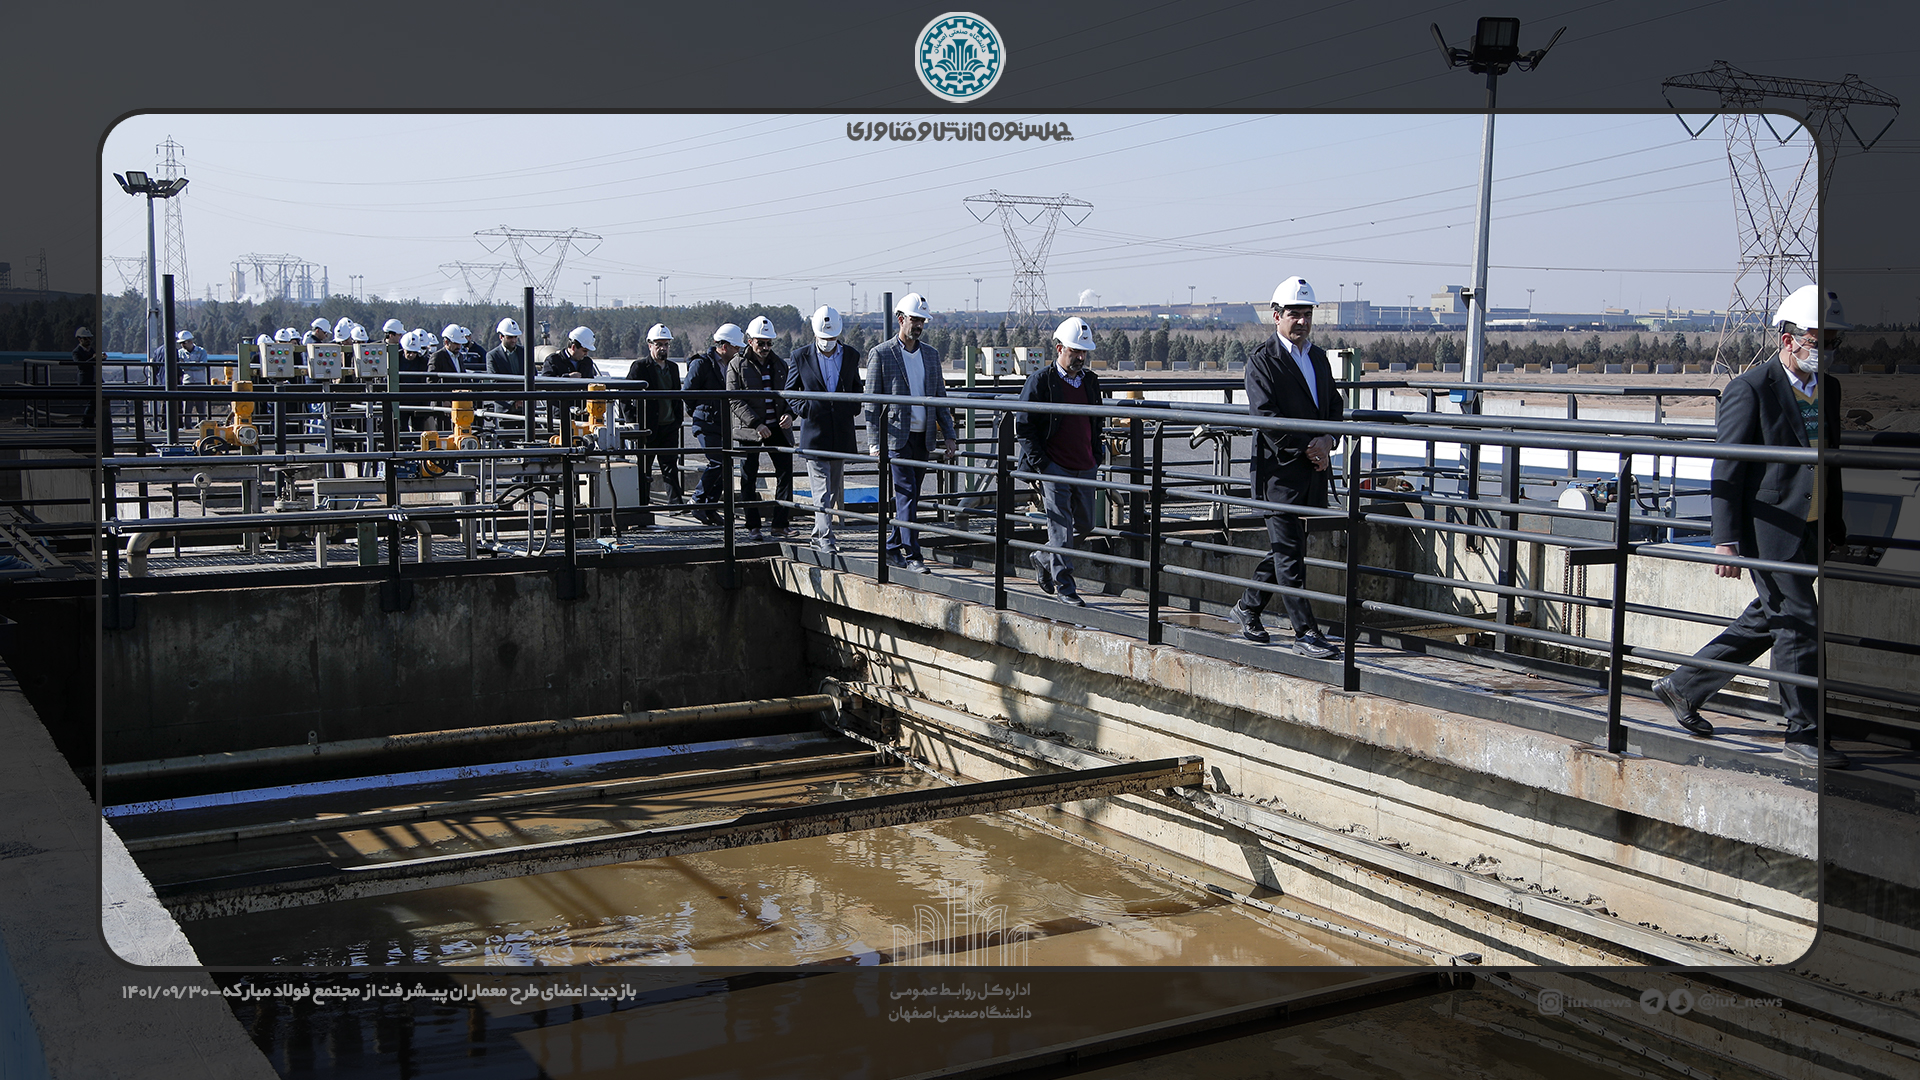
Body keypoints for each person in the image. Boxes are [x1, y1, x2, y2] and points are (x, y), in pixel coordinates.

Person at [1652, 284, 1852, 768]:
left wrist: (1835, 527)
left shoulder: (1829, 389)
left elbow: (1832, 463)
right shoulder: (1751, 388)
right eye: (1818, 340)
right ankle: (1803, 733)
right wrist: (1725, 540)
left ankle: (1683, 686)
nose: (1825, 351)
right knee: (1799, 624)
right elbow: (1728, 466)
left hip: (1809, 526)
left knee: (1769, 616)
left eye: (1833, 342)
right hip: (1769, 529)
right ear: (1788, 340)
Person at [1229, 275, 1343, 659]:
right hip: (1278, 473)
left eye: (1307, 314)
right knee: (1290, 555)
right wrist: (1309, 447)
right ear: (1276, 316)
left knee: (1286, 549)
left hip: (1311, 471)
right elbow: (1266, 417)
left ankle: (1247, 607)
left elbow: (1334, 407)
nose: (1302, 321)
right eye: (1295, 314)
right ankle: (1305, 633)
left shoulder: (1318, 358)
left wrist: (1328, 440)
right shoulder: (1262, 361)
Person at [1017, 317, 1106, 607]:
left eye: (1083, 352)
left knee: (1085, 524)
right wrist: (1043, 464)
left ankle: (1044, 557)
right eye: (1074, 351)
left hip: (1085, 463)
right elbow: (1024, 425)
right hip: (1055, 466)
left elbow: (1096, 422)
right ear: (1059, 349)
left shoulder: (1090, 382)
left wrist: (1096, 455)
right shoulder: (1041, 381)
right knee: (1060, 527)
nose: (1080, 357)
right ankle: (1064, 585)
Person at [864, 292, 956, 573]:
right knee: (905, 494)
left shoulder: (931, 355)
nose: (918, 325)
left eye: (922, 321)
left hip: (923, 436)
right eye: (914, 320)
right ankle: (913, 555)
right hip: (897, 438)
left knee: (911, 497)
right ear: (901, 319)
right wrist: (874, 443)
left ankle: (892, 546)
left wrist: (949, 434)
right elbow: (871, 402)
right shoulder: (881, 353)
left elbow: (940, 397)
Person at [785, 306, 863, 554]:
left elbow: (856, 387)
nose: (828, 341)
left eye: (832, 337)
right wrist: (806, 409)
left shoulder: (850, 355)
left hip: (841, 431)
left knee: (832, 488)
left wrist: (852, 407)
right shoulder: (800, 356)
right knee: (821, 487)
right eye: (824, 337)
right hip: (815, 432)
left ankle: (818, 534)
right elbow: (790, 391)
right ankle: (825, 537)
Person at [727, 316, 794, 541]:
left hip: (778, 428)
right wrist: (756, 423)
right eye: (761, 343)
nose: (765, 347)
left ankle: (780, 524)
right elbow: (734, 399)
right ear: (750, 341)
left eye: (769, 343)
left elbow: (791, 394)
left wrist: (789, 414)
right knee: (748, 477)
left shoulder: (780, 364)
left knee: (786, 474)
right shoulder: (736, 364)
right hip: (750, 431)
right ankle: (753, 526)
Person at [684, 324, 742, 526]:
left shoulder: (733, 366)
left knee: (726, 464)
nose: (738, 351)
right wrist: (700, 412)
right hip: (706, 422)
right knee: (717, 461)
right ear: (724, 346)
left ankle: (710, 506)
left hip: (723, 422)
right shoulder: (702, 364)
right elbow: (688, 392)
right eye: (736, 347)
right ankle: (698, 499)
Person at [622, 323, 685, 504]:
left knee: (670, 466)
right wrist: (633, 422)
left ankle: (676, 503)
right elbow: (624, 396)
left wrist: (678, 419)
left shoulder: (673, 368)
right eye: (658, 345)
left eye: (666, 344)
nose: (663, 348)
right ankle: (643, 503)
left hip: (669, 425)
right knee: (644, 467)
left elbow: (677, 395)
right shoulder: (640, 367)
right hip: (648, 427)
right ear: (650, 345)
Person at [175, 329, 211, 424]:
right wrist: (195, 364)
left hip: (200, 382)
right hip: (187, 382)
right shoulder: (180, 353)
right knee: (187, 407)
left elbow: (202, 365)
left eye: (184, 342)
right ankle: (187, 425)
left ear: (190, 341)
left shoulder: (201, 351)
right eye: (181, 343)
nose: (182, 345)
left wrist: (188, 365)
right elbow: (181, 366)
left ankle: (202, 424)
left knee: (201, 407)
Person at [70, 327, 98, 427]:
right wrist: (93, 359)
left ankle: (88, 423)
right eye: (85, 338)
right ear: (79, 339)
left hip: (94, 379)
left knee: (94, 402)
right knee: (92, 402)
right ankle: (85, 423)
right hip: (85, 381)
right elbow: (81, 366)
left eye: (89, 338)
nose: (88, 340)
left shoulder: (91, 350)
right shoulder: (76, 352)